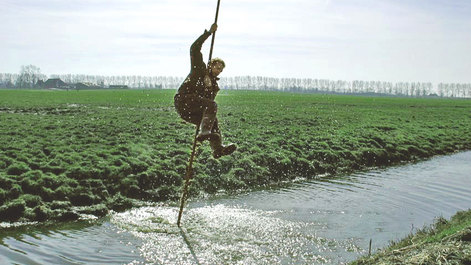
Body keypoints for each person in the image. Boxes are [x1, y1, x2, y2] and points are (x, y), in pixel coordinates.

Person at [174, 23, 237, 159]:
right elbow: (194, 49)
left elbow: (207, 107)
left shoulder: (214, 86)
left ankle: (217, 149)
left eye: (221, 69)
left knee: (213, 120)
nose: (218, 70)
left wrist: (209, 89)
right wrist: (208, 33)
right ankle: (204, 133)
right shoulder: (199, 69)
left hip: (191, 112)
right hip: (183, 100)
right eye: (216, 67)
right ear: (210, 65)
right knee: (212, 106)